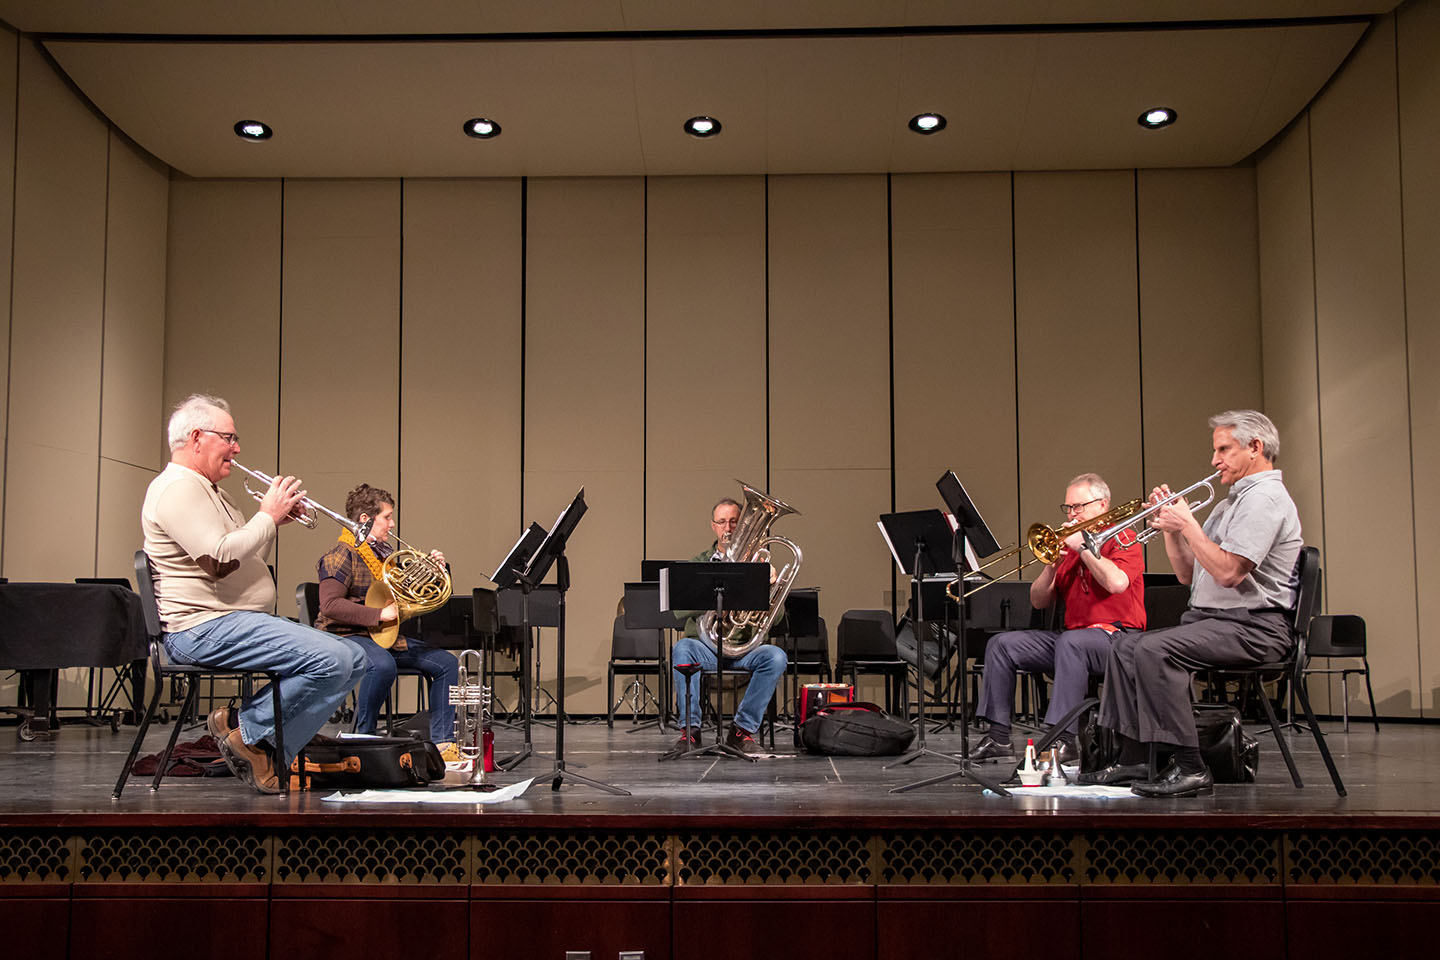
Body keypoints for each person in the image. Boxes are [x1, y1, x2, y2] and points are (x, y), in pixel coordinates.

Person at [141, 394, 366, 794]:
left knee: (355, 657)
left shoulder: (211, 491)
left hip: (231, 620)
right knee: (333, 658)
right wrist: (266, 515)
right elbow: (220, 552)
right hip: (202, 627)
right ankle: (252, 736)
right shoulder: (177, 489)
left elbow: (242, 559)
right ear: (197, 438)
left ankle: (254, 736)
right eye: (229, 437)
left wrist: (274, 523)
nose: (237, 448)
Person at [1084, 410, 1302, 798]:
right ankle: (1134, 756)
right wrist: (1170, 529)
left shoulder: (1265, 500)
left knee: (1154, 648)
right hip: (1217, 622)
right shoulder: (1229, 504)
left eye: (1223, 449)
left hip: (1255, 627)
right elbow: (1189, 576)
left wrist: (1188, 525)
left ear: (1256, 448)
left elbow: (1229, 573)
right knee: (1124, 646)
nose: (1214, 460)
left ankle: (1190, 766)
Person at [971, 473, 1146, 766]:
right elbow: (1039, 600)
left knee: (1072, 643)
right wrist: (1051, 566)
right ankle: (999, 736)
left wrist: (1083, 549)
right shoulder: (1069, 547)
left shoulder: (1123, 537)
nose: (1073, 514)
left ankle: (1063, 740)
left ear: (1103, 505)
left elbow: (1116, 583)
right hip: (1073, 640)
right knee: (1002, 644)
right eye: (1068, 508)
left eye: (1080, 506)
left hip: (1118, 638)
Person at [313, 483, 460, 759]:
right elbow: (329, 605)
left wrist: (432, 569)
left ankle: (442, 744)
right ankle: (361, 741)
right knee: (382, 666)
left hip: (381, 636)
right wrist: (379, 614)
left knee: (446, 663)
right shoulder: (340, 554)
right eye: (387, 517)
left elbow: (408, 594)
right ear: (365, 520)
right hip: (345, 636)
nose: (392, 524)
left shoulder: (384, 555)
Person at [669, 497, 788, 756]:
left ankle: (741, 731)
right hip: (707, 648)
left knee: (776, 656)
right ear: (713, 526)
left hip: (746, 649)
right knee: (681, 649)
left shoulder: (759, 565)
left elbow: (777, 621)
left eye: (735, 521)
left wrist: (768, 587)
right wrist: (719, 592)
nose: (729, 528)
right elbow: (679, 609)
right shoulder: (699, 562)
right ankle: (690, 731)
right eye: (722, 522)